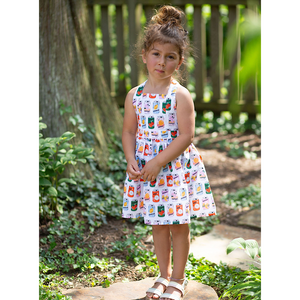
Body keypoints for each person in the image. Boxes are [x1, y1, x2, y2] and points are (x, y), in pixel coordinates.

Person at [121, 5, 217, 300]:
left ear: (179, 62)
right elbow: (128, 132)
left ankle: (178, 278)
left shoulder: (180, 95)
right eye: (156, 54)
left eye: (170, 57)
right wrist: (131, 161)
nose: (161, 62)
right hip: (147, 172)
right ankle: (162, 275)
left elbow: (186, 136)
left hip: (173, 169)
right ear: (144, 55)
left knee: (178, 224)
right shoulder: (134, 95)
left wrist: (159, 161)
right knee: (158, 225)